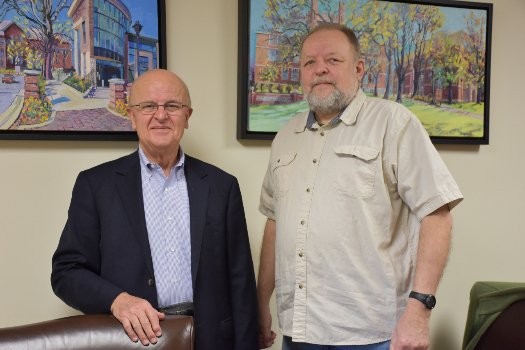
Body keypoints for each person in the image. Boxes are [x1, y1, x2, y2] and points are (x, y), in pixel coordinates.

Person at [257, 23, 463, 350]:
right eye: (309, 62)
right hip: (299, 329)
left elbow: (437, 214)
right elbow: (274, 222)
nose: (320, 68)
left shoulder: (394, 123)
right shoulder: (285, 136)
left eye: (333, 60)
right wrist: (259, 304)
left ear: (359, 68)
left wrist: (419, 311)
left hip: (372, 333)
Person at [51, 69, 258, 350]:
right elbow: (67, 272)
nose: (161, 115)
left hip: (210, 340)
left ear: (187, 116)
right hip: (130, 340)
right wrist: (117, 300)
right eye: (148, 106)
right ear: (131, 115)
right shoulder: (95, 185)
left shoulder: (222, 186)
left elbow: (241, 282)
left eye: (172, 106)